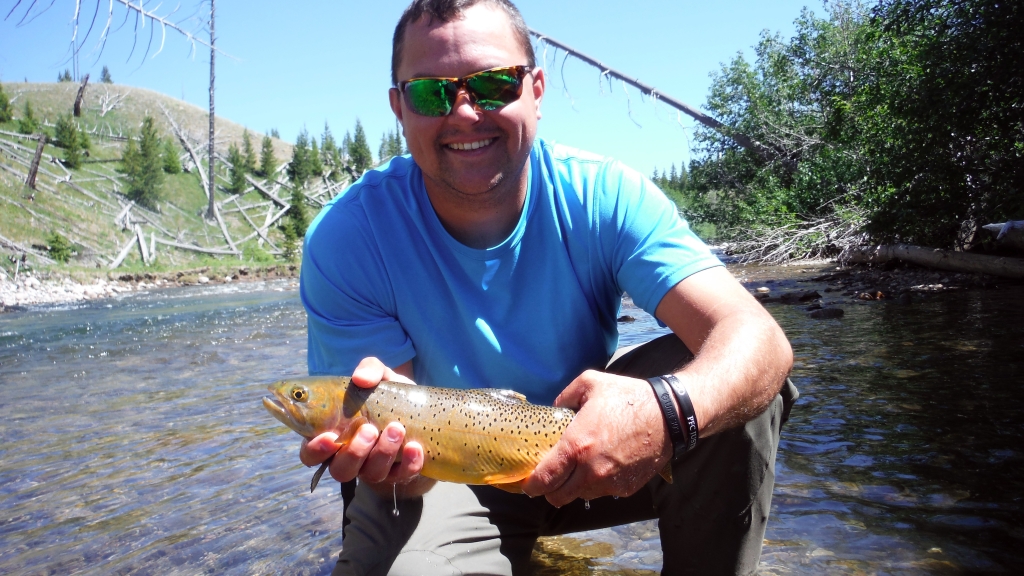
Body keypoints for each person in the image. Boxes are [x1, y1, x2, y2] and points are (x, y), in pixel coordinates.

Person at [298, 0, 797, 574]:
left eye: (493, 85)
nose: (464, 113)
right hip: (448, 479)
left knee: (723, 380)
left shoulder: (604, 196)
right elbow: (401, 471)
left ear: (536, 89)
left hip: (599, 452)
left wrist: (665, 412)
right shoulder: (349, 236)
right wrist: (389, 469)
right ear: (399, 107)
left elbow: (760, 340)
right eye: (432, 93)